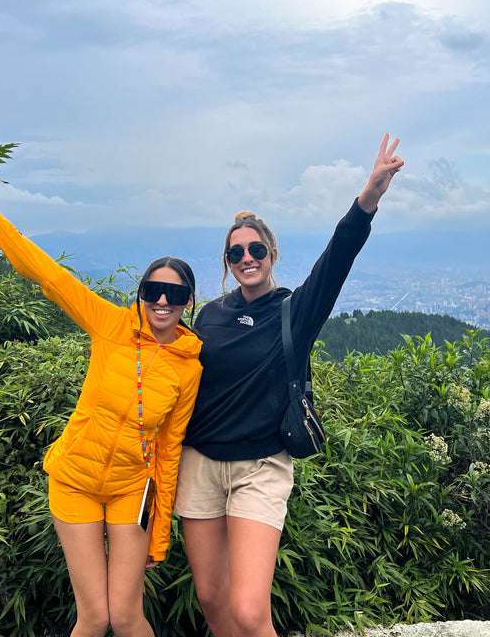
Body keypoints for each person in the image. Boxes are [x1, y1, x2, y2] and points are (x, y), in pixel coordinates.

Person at [173, 132, 404, 637]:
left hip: (260, 467)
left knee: (251, 611)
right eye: (237, 254)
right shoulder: (209, 315)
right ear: (227, 263)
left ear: (272, 252)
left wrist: (368, 200)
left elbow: (336, 261)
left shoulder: (293, 312)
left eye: (256, 248)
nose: (247, 258)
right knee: (212, 602)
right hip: (199, 466)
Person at [0, 183, 203, 637]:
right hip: (75, 481)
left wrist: (161, 531)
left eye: (175, 295)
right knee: (94, 617)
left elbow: (170, 451)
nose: (163, 301)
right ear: (141, 292)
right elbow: (48, 276)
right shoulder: (110, 325)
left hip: (133, 489)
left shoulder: (188, 368)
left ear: (188, 301)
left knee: (128, 616)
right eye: (154, 289)